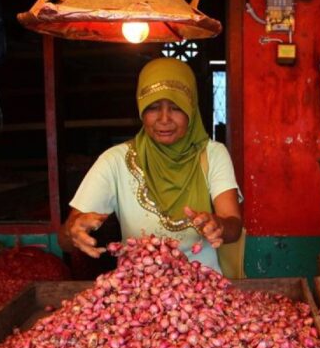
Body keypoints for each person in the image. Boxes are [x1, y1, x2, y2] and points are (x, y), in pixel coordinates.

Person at [59, 57, 242, 272]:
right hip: (138, 294)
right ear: (140, 110)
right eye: (153, 107)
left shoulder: (213, 154)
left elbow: (234, 226)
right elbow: (64, 241)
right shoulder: (115, 161)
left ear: (191, 109)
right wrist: (75, 230)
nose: (164, 119)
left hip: (204, 291)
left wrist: (219, 225)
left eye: (176, 107)